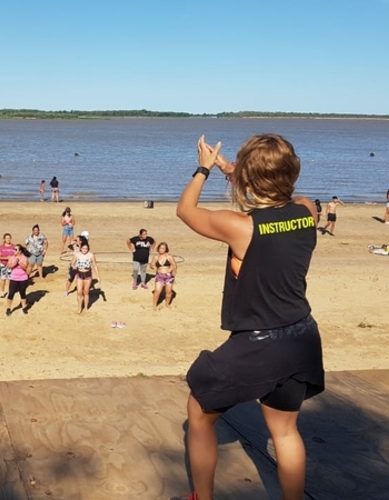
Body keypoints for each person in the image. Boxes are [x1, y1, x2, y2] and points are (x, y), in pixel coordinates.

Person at [176, 134, 324, 500]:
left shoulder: (242, 226)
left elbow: (186, 211)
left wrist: (204, 168)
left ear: (249, 179)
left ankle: (202, 497)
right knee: (285, 431)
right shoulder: (308, 211)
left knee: (198, 412)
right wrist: (233, 169)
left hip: (259, 342)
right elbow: (280, 198)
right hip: (302, 336)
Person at [72, 243, 100, 314]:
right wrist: (74, 267)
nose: (85, 250)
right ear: (81, 248)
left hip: (87, 274)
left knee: (86, 292)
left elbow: (95, 265)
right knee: (79, 292)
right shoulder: (77, 255)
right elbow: (72, 263)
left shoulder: (91, 255)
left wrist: (98, 276)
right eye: (83, 248)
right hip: (79, 274)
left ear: (88, 249)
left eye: (86, 249)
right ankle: (79, 308)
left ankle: (86, 307)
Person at [149, 242, 178, 310]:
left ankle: (167, 304)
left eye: (163, 248)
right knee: (157, 291)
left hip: (168, 276)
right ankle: (154, 305)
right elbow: (151, 265)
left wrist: (173, 270)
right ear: (158, 249)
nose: (161, 250)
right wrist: (153, 267)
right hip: (160, 275)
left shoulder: (169, 257)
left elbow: (174, 265)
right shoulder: (156, 257)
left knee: (168, 292)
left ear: (166, 249)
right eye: (160, 248)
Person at [5, 244, 32, 316]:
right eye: (14, 249)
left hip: (23, 278)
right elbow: (8, 266)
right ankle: (8, 308)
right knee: (11, 293)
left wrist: (19, 262)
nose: (14, 250)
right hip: (14, 278)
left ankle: (24, 307)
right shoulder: (11, 257)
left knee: (22, 293)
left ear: (20, 251)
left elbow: (25, 267)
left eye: (15, 249)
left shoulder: (24, 258)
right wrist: (14, 263)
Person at [0, 233, 16, 298]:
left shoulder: (14, 246)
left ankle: (10, 292)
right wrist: (6, 258)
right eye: (7, 238)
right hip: (3, 264)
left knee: (10, 279)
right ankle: (2, 292)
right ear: (4, 239)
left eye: (9, 238)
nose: (8, 239)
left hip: (11, 265)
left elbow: (16, 255)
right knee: (3, 278)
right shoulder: (1, 247)